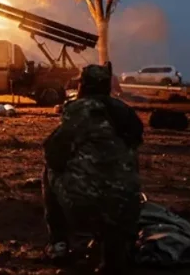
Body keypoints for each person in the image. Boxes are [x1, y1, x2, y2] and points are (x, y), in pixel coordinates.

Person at [42, 62, 144, 274]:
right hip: (128, 205)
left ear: (83, 86)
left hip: (88, 203)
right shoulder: (125, 113)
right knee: (118, 183)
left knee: (49, 171)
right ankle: (112, 254)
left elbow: (54, 152)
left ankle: (58, 244)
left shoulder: (80, 110)